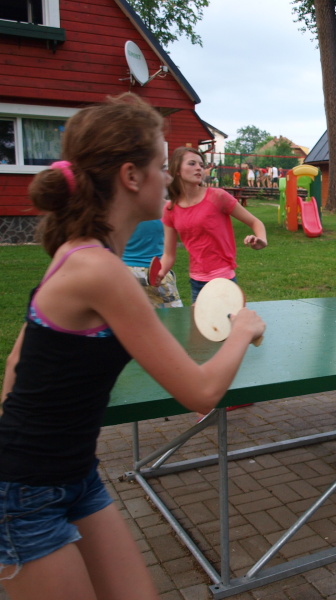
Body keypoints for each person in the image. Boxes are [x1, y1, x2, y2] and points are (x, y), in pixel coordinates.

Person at [0, 93, 264, 600]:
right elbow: (200, 392)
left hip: (75, 476)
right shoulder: (101, 271)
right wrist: (241, 331)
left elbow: (16, 361)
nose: (168, 179)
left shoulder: (77, 253)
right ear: (131, 176)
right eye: (161, 167)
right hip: (26, 493)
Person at [161, 147, 268, 303]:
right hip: (197, 283)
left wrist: (262, 240)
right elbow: (169, 255)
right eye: (192, 163)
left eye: (201, 165)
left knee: (231, 320)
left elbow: (255, 222)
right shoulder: (170, 209)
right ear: (177, 169)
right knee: (199, 321)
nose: (199, 168)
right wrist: (159, 273)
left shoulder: (217, 196)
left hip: (224, 280)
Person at [122, 219, 183, 308]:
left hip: (125, 271)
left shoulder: (121, 213)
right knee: (175, 314)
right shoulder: (161, 213)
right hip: (157, 273)